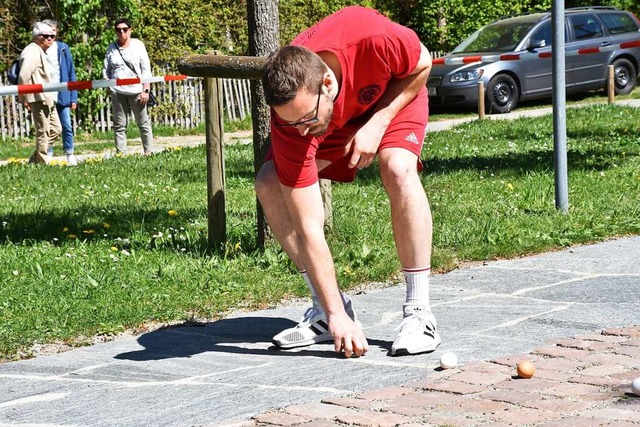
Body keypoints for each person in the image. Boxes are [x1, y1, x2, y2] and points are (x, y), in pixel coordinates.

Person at [256, 6, 439, 359]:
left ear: (326, 83)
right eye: (291, 123)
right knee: (268, 182)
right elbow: (309, 227)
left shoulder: (372, 37)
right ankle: (326, 311)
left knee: (397, 167)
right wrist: (338, 315)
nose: (301, 131)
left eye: (305, 119)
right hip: (338, 120)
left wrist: (379, 122)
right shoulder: (294, 124)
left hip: (393, 99)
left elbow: (423, 64)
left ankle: (419, 313)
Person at [102, 18, 154, 155]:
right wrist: (109, 85)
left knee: (143, 123)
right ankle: (121, 154)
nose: (122, 32)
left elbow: (146, 69)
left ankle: (149, 152)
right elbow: (105, 70)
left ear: (130, 30)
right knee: (120, 125)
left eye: (125, 29)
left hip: (137, 91)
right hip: (118, 92)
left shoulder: (138, 45)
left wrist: (146, 90)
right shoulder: (111, 48)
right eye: (118, 30)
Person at [18, 22, 62, 164]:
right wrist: (23, 97)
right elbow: (23, 76)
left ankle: (34, 161)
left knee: (56, 129)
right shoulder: (32, 51)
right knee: (43, 131)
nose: (50, 39)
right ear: (37, 37)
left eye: (52, 36)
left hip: (47, 97)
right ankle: (41, 164)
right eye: (46, 36)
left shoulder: (40, 50)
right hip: (38, 97)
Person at [43, 19, 78, 166]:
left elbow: (71, 73)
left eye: (53, 30)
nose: (51, 34)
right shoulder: (38, 49)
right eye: (47, 31)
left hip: (62, 94)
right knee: (47, 127)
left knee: (66, 125)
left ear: (57, 32)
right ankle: (48, 154)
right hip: (46, 95)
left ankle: (69, 153)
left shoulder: (63, 48)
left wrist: (73, 97)